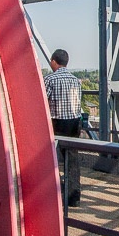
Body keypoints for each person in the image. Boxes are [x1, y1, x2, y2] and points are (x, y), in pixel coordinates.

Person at [44, 49, 83, 207]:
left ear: (54, 61)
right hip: (74, 122)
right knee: (72, 159)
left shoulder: (50, 79)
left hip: (57, 122)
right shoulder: (76, 80)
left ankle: (54, 194)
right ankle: (74, 197)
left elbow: (43, 102)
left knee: (51, 158)